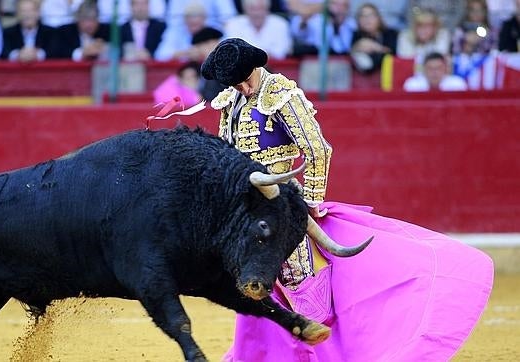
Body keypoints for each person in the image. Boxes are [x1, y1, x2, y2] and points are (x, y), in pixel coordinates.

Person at [200, 37, 492, 361]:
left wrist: (308, 203)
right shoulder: (231, 100)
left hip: (282, 206)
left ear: (257, 66)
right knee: (259, 287)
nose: (242, 87)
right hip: (247, 213)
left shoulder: (282, 94)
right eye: (234, 83)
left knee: (302, 284)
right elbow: (227, 154)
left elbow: (317, 150)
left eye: (245, 79)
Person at [223, 0, 293, 59]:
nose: (257, 13)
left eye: (261, 8)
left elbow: (282, 51)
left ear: (267, 9)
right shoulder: (233, 24)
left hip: (275, 69)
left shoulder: (280, 24)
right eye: (252, 9)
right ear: (245, 10)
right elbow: (232, 50)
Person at [350, 3, 399, 73]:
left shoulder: (390, 34)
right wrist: (356, 47)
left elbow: (392, 54)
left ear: (378, 18)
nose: (367, 20)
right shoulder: (356, 35)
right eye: (363, 16)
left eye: (371, 15)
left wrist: (376, 48)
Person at [404, 51, 469, 91]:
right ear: (424, 69)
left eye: (438, 68)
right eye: (430, 68)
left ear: (445, 69)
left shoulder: (457, 84)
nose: (434, 72)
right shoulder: (412, 85)